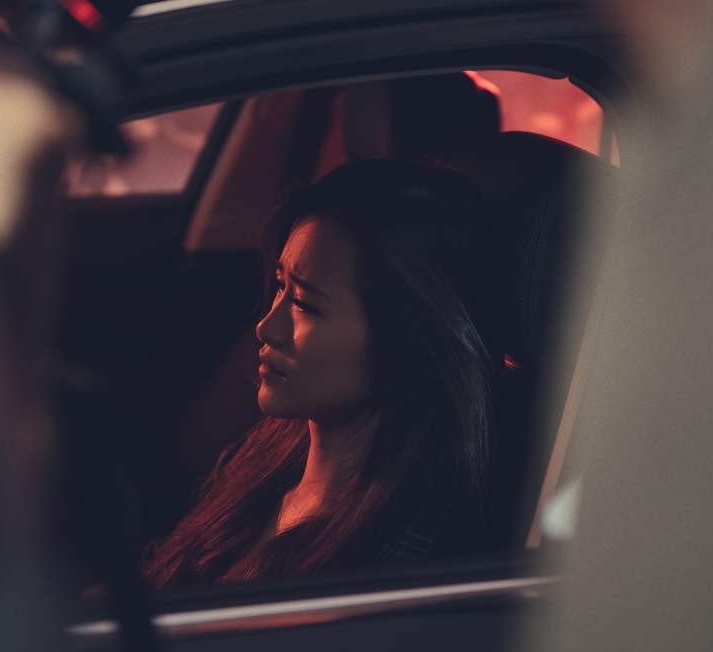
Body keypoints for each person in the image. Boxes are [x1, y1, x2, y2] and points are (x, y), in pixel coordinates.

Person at [142, 160, 503, 587]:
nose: (266, 327)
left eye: (305, 304)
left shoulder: (402, 558)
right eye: (280, 285)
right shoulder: (262, 457)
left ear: (404, 342)